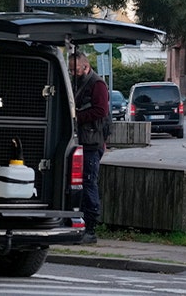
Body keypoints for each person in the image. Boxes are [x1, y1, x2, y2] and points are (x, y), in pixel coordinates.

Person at [70, 50, 109, 244]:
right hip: (83, 139)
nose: (73, 73)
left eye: (75, 69)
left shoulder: (97, 84)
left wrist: (77, 117)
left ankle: (91, 228)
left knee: (88, 182)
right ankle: (82, 225)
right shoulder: (80, 82)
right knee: (82, 183)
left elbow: (101, 110)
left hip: (92, 141)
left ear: (85, 67)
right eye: (71, 70)